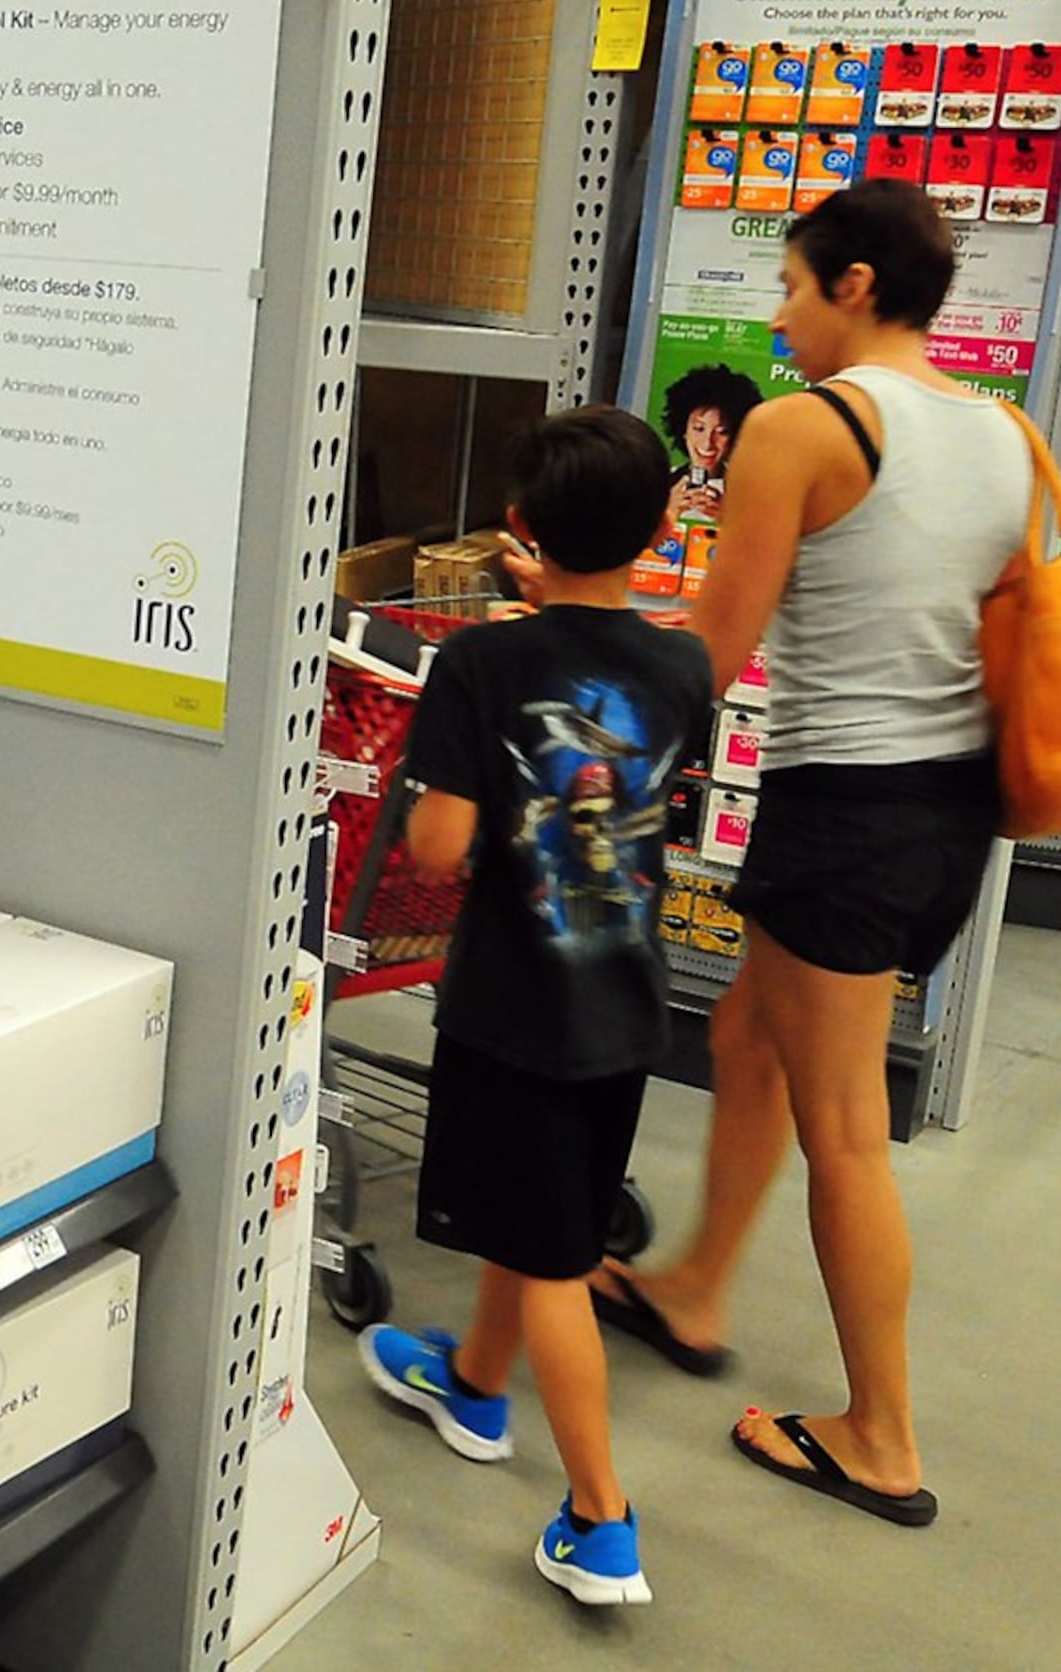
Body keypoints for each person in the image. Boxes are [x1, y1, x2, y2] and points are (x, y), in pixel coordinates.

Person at [586, 179, 1030, 1530]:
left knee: (846, 1130)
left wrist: (562, 662)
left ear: (854, 285)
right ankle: (700, 1285)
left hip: (844, 810)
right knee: (748, 1046)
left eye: (790, 286)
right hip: (954, 811)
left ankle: (882, 1436)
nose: (780, 317)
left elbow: (713, 651)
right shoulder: (1004, 432)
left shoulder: (801, 429)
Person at [357, 407, 713, 1609]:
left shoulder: (481, 665)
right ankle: (469, 1382)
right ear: (663, 528)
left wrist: (427, 797)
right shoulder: (682, 664)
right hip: (624, 1008)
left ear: (517, 530)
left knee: (556, 1255)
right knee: (543, 1218)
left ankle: (602, 1521)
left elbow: (445, 844)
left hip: (511, 1009)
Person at [662, 362, 764, 526]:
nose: (707, 443)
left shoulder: (752, 492)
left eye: (721, 432)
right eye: (699, 428)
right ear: (683, 430)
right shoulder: (657, 482)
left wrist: (729, 517)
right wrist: (666, 511)